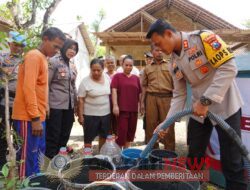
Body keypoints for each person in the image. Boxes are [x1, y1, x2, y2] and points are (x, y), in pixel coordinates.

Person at [147, 19, 247, 190]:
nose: (158, 49)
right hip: (198, 113)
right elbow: (179, 95)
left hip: (225, 107)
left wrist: (205, 100)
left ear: (169, 34)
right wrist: (166, 123)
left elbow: (229, 67)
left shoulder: (203, 39)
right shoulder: (173, 63)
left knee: (232, 162)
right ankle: (194, 186)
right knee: (194, 158)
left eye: (159, 43)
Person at [12, 27, 65, 178]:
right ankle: (26, 185)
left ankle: (36, 183)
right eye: (55, 46)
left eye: (59, 48)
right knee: (28, 158)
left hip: (37, 116)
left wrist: (43, 111)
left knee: (37, 156)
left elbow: (40, 87)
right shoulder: (34, 56)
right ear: (45, 39)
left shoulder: (43, 58)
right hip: (28, 117)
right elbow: (28, 88)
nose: (56, 51)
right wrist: (35, 118)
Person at [45, 39, 78, 159]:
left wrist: (77, 104)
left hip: (69, 106)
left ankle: (60, 159)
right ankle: (50, 160)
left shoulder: (72, 65)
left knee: (65, 134)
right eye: (70, 48)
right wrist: (46, 105)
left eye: (75, 49)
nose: (72, 51)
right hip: (55, 106)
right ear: (64, 48)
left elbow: (73, 86)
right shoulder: (53, 61)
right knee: (54, 135)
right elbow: (46, 84)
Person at [0, 31, 26, 168]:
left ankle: (18, 163)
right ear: (9, 44)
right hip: (5, 103)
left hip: (20, 103)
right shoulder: (3, 57)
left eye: (21, 45)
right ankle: (1, 165)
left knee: (19, 135)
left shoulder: (25, 60)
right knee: (3, 134)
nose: (18, 48)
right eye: (15, 45)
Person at [141, 44, 175, 150]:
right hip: (151, 98)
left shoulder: (171, 66)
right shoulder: (147, 68)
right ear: (152, 52)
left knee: (168, 125)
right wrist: (142, 102)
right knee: (151, 125)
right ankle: (153, 153)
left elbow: (177, 86)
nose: (159, 52)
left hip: (167, 98)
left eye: (161, 50)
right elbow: (144, 86)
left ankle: (169, 154)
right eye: (156, 50)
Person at [78, 58, 111, 150]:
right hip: (90, 115)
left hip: (106, 114)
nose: (96, 72)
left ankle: (101, 154)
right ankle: (87, 157)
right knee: (88, 137)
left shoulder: (107, 78)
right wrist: (81, 116)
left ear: (103, 69)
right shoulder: (85, 81)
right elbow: (80, 99)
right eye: (93, 70)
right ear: (90, 69)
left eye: (98, 70)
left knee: (104, 136)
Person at [111, 55, 142, 148]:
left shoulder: (136, 78)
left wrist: (141, 105)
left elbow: (139, 93)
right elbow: (114, 91)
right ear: (122, 65)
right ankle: (118, 155)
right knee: (122, 133)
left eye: (130, 65)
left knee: (130, 133)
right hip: (122, 110)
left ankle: (126, 154)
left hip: (133, 110)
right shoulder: (117, 76)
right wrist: (115, 105)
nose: (128, 67)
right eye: (126, 65)